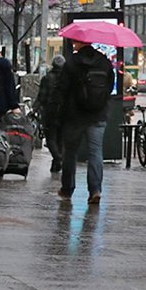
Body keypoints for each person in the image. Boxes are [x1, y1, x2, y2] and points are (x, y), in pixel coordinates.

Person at [58, 41, 113, 203]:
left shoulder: (72, 63)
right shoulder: (104, 62)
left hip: (74, 116)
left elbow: (62, 89)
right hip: (98, 115)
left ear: (80, 43)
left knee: (70, 153)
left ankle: (67, 189)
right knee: (95, 152)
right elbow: (108, 88)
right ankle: (95, 189)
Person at [35, 55, 67, 172]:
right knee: (60, 138)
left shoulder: (47, 78)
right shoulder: (67, 79)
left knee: (50, 139)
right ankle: (57, 162)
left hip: (50, 112)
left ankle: (57, 158)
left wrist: (35, 109)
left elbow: (41, 97)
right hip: (64, 112)